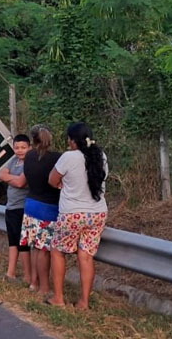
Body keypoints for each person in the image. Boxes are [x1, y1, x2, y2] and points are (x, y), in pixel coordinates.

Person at [47, 122, 108, 310]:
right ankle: (84, 302)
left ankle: (58, 298)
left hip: (72, 213)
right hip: (97, 213)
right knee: (86, 255)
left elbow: (52, 180)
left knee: (58, 250)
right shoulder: (101, 156)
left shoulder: (69, 157)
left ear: (72, 141)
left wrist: (62, 185)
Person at [18, 125, 62, 298]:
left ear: (33, 140)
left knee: (36, 247)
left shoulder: (28, 156)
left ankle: (34, 282)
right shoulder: (57, 158)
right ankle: (44, 287)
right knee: (44, 249)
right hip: (48, 206)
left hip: (31, 203)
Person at [0, 134, 32, 284]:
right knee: (12, 241)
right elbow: (2, 175)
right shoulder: (13, 161)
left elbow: (21, 183)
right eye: (17, 147)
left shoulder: (30, 163)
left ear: (29, 148)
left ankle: (28, 276)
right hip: (10, 207)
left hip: (22, 207)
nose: (20, 150)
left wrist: (10, 178)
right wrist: (13, 178)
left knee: (23, 243)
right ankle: (10, 273)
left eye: (23, 148)